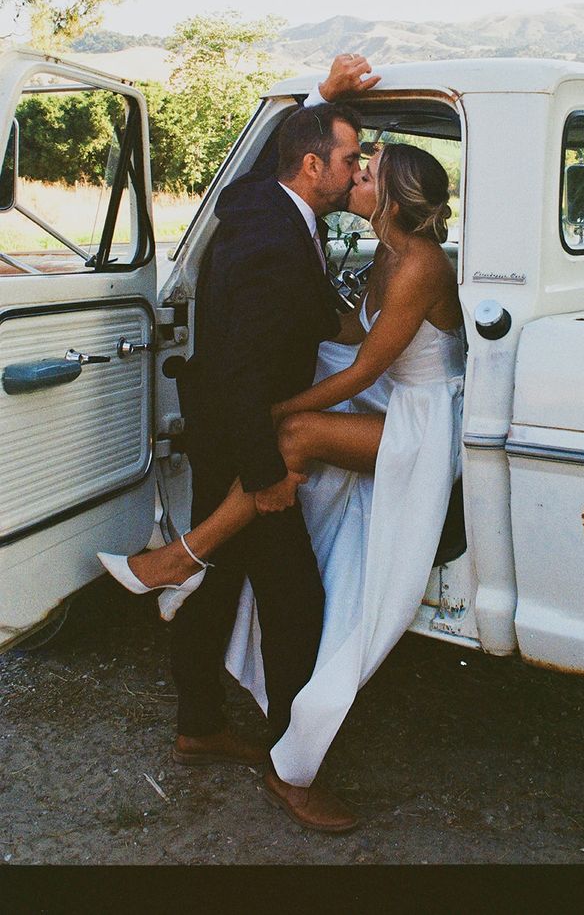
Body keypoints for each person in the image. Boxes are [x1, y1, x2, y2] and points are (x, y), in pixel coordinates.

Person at [101, 111, 465, 831]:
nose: (357, 172)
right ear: (310, 168)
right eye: (350, 161)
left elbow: (360, 356)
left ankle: (179, 564)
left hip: (410, 424)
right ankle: (274, 758)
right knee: (293, 596)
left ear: (388, 196)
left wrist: (271, 417)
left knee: (262, 548)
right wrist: (260, 431)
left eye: (367, 169)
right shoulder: (312, 236)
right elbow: (340, 333)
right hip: (245, 426)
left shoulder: (391, 251)